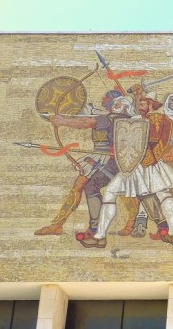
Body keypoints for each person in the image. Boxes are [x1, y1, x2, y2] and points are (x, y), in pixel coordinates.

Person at [78, 96, 173, 248]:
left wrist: (148, 158)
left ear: (151, 105)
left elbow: (160, 142)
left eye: (143, 103)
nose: (140, 105)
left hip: (137, 164)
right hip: (146, 163)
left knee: (110, 193)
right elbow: (164, 142)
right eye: (139, 103)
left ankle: (100, 237)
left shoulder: (143, 121)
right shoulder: (162, 120)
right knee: (164, 195)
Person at [36, 89, 123, 237]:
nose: (103, 98)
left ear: (115, 102)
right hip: (100, 156)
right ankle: (61, 225)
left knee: (86, 186)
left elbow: (88, 122)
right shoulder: (108, 114)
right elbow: (85, 116)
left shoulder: (112, 117)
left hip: (110, 159)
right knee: (81, 186)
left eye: (107, 97)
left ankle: (72, 226)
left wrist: (63, 121)